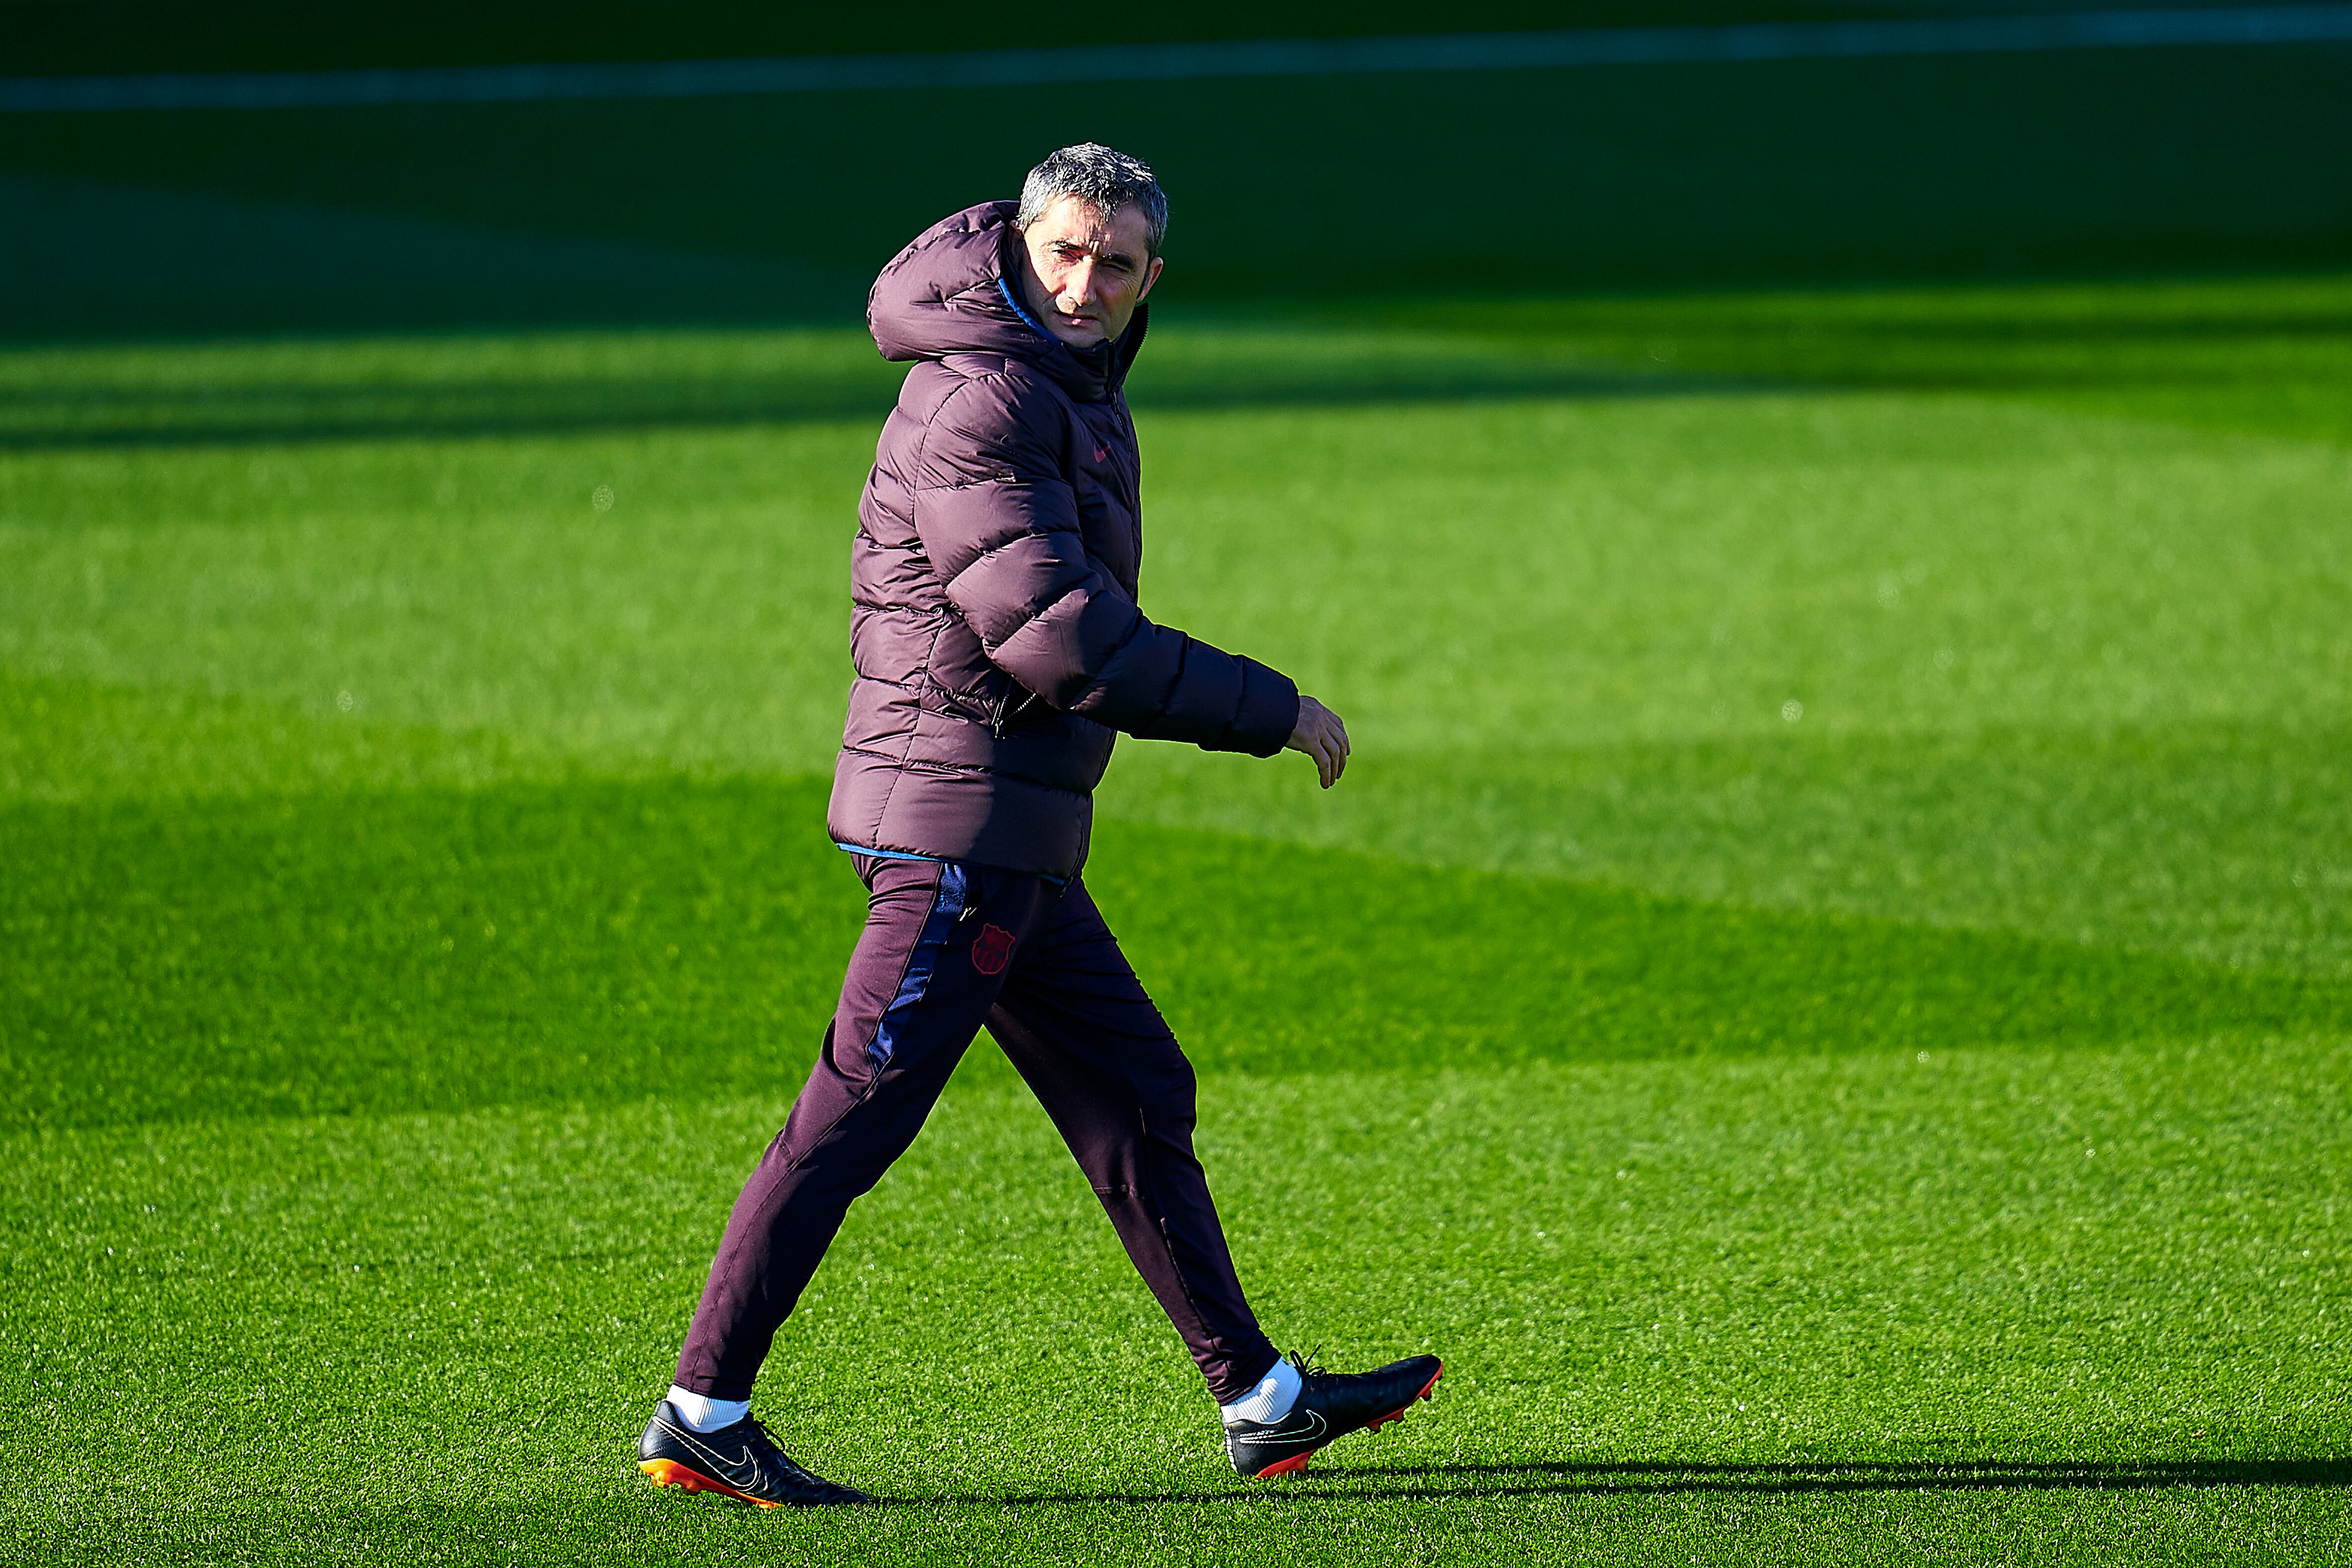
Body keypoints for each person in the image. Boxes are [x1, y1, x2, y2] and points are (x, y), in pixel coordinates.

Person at [636, 143, 1441, 1508]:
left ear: (1151, 281)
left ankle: (1259, 1399)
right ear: (1015, 245)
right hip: (956, 833)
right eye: (1064, 252)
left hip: (1001, 830)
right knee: (851, 1121)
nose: (1084, 283)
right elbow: (1058, 637)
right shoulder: (985, 400)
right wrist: (1270, 709)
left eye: (1115, 264)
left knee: (1134, 1090)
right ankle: (701, 1413)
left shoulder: (1056, 386)